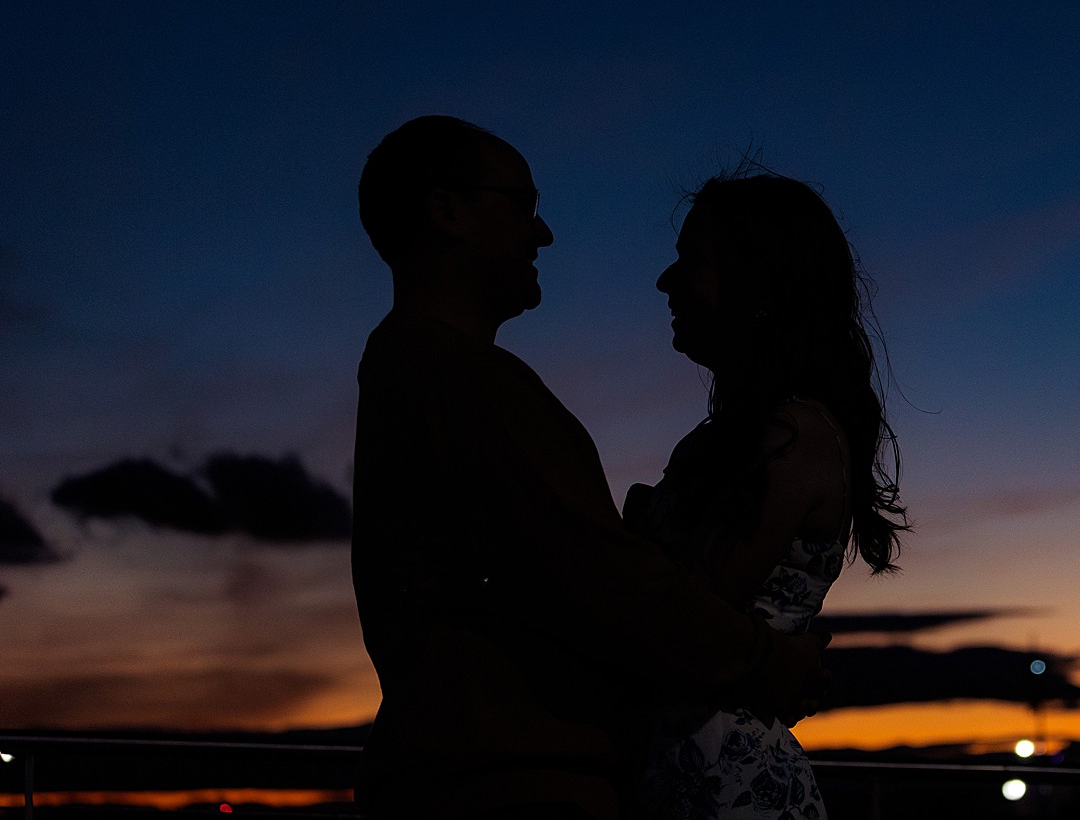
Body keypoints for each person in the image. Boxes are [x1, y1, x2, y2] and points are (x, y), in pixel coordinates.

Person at [351, 117, 826, 820]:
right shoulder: (461, 382)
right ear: (447, 210)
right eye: (524, 205)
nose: (542, 234)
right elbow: (606, 581)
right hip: (514, 788)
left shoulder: (411, 371)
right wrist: (772, 663)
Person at [624, 171, 909, 819]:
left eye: (692, 262)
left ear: (758, 285)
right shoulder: (730, 439)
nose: (667, 282)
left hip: (725, 792)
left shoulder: (793, 435)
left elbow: (684, 619)